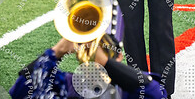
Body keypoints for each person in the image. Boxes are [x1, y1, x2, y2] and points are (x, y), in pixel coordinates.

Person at [9, 37, 168, 99]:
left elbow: (155, 94)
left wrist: (106, 64)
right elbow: (21, 90)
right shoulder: (69, 84)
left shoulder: (132, 88)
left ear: (119, 56)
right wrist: (56, 52)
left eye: (103, 49)